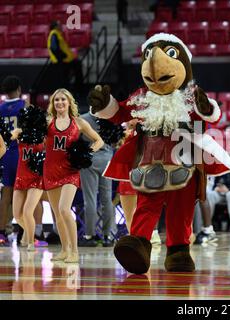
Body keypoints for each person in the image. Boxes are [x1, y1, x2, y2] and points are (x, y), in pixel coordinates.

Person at [44, 88, 104, 263]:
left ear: (69, 102)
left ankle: (75, 251)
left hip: (70, 171)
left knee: (64, 209)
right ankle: (64, 250)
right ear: (53, 104)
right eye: (56, 100)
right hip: (50, 171)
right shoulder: (48, 122)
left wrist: (87, 153)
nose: (60, 103)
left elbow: (99, 140)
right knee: (57, 214)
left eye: (63, 99)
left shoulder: (78, 122)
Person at [79, 113, 115, 248]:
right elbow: (115, 138)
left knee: (90, 199)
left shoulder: (82, 119)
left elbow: (76, 140)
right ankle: (108, 236)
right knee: (107, 199)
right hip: (107, 159)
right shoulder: (110, 117)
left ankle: (89, 236)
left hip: (89, 159)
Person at [10, 118, 45, 251]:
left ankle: (31, 243)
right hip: (21, 176)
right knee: (17, 215)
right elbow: (10, 136)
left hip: (36, 177)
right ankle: (33, 236)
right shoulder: (19, 132)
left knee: (27, 211)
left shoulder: (43, 134)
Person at [0, 76, 25, 246]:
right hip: (21, 153)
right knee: (24, 192)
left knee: (6, 194)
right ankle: (24, 232)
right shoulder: (24, 107)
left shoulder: (0, 108)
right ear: (19, 88)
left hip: (4, 153)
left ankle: (1, 233)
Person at [47, 21, 83, 91]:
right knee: (63, 79)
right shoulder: (54, 34)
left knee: (68, 76)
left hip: (66, 60)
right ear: (55, 26)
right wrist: (62, 56)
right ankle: (76, 90)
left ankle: (76, 89)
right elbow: (53, 48)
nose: (61, 26)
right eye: (59, 25)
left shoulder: (57, 34)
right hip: (62, 60)